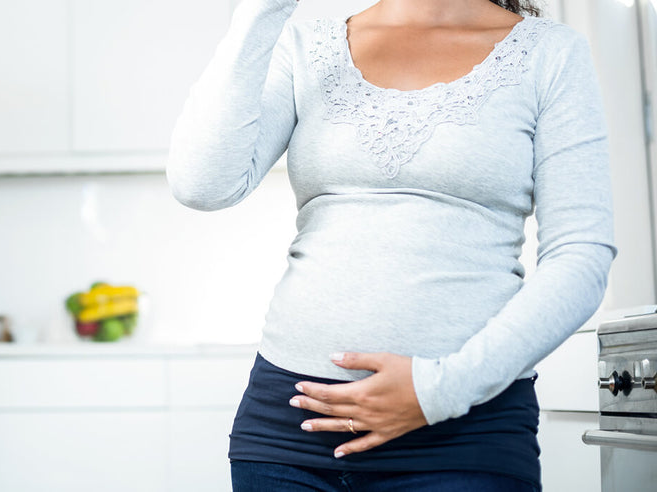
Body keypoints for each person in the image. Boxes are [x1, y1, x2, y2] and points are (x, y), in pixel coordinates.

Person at [165, 0, 616, 490]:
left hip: (461, 433)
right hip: (287, 433)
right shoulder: (308, 47)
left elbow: (581, 255)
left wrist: (439, 391)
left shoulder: (549, 53)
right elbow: (203, 184)